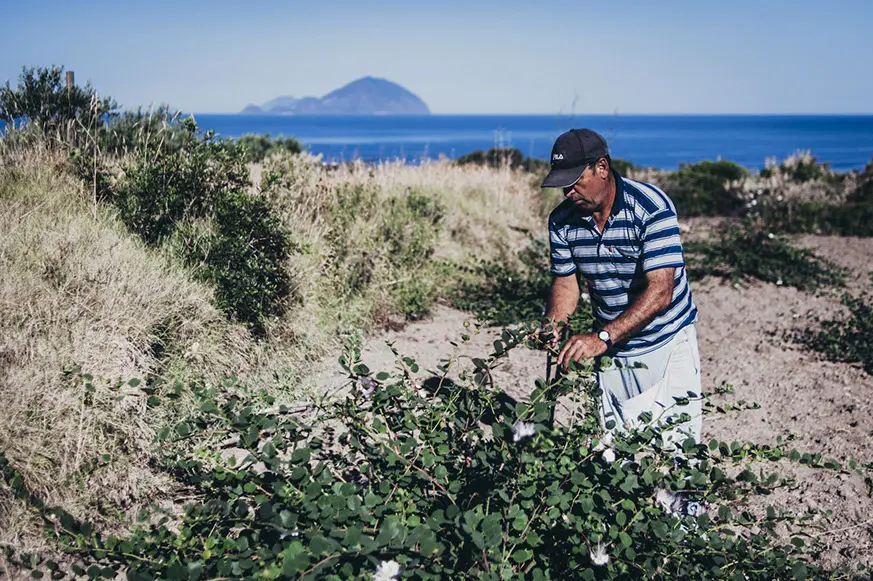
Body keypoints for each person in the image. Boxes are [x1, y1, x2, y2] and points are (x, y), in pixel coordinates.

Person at [539, 128, 701, 448]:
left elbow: (660, 292)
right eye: (562, 183)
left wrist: (601, 338)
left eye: (574, 180)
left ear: (602, 167)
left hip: (667, 340)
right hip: (613, 345)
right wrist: (554, 323)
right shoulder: (561, 221)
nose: (568, 191)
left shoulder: (651, 207)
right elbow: (565, 282)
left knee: (677, 452)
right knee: (615, 454)